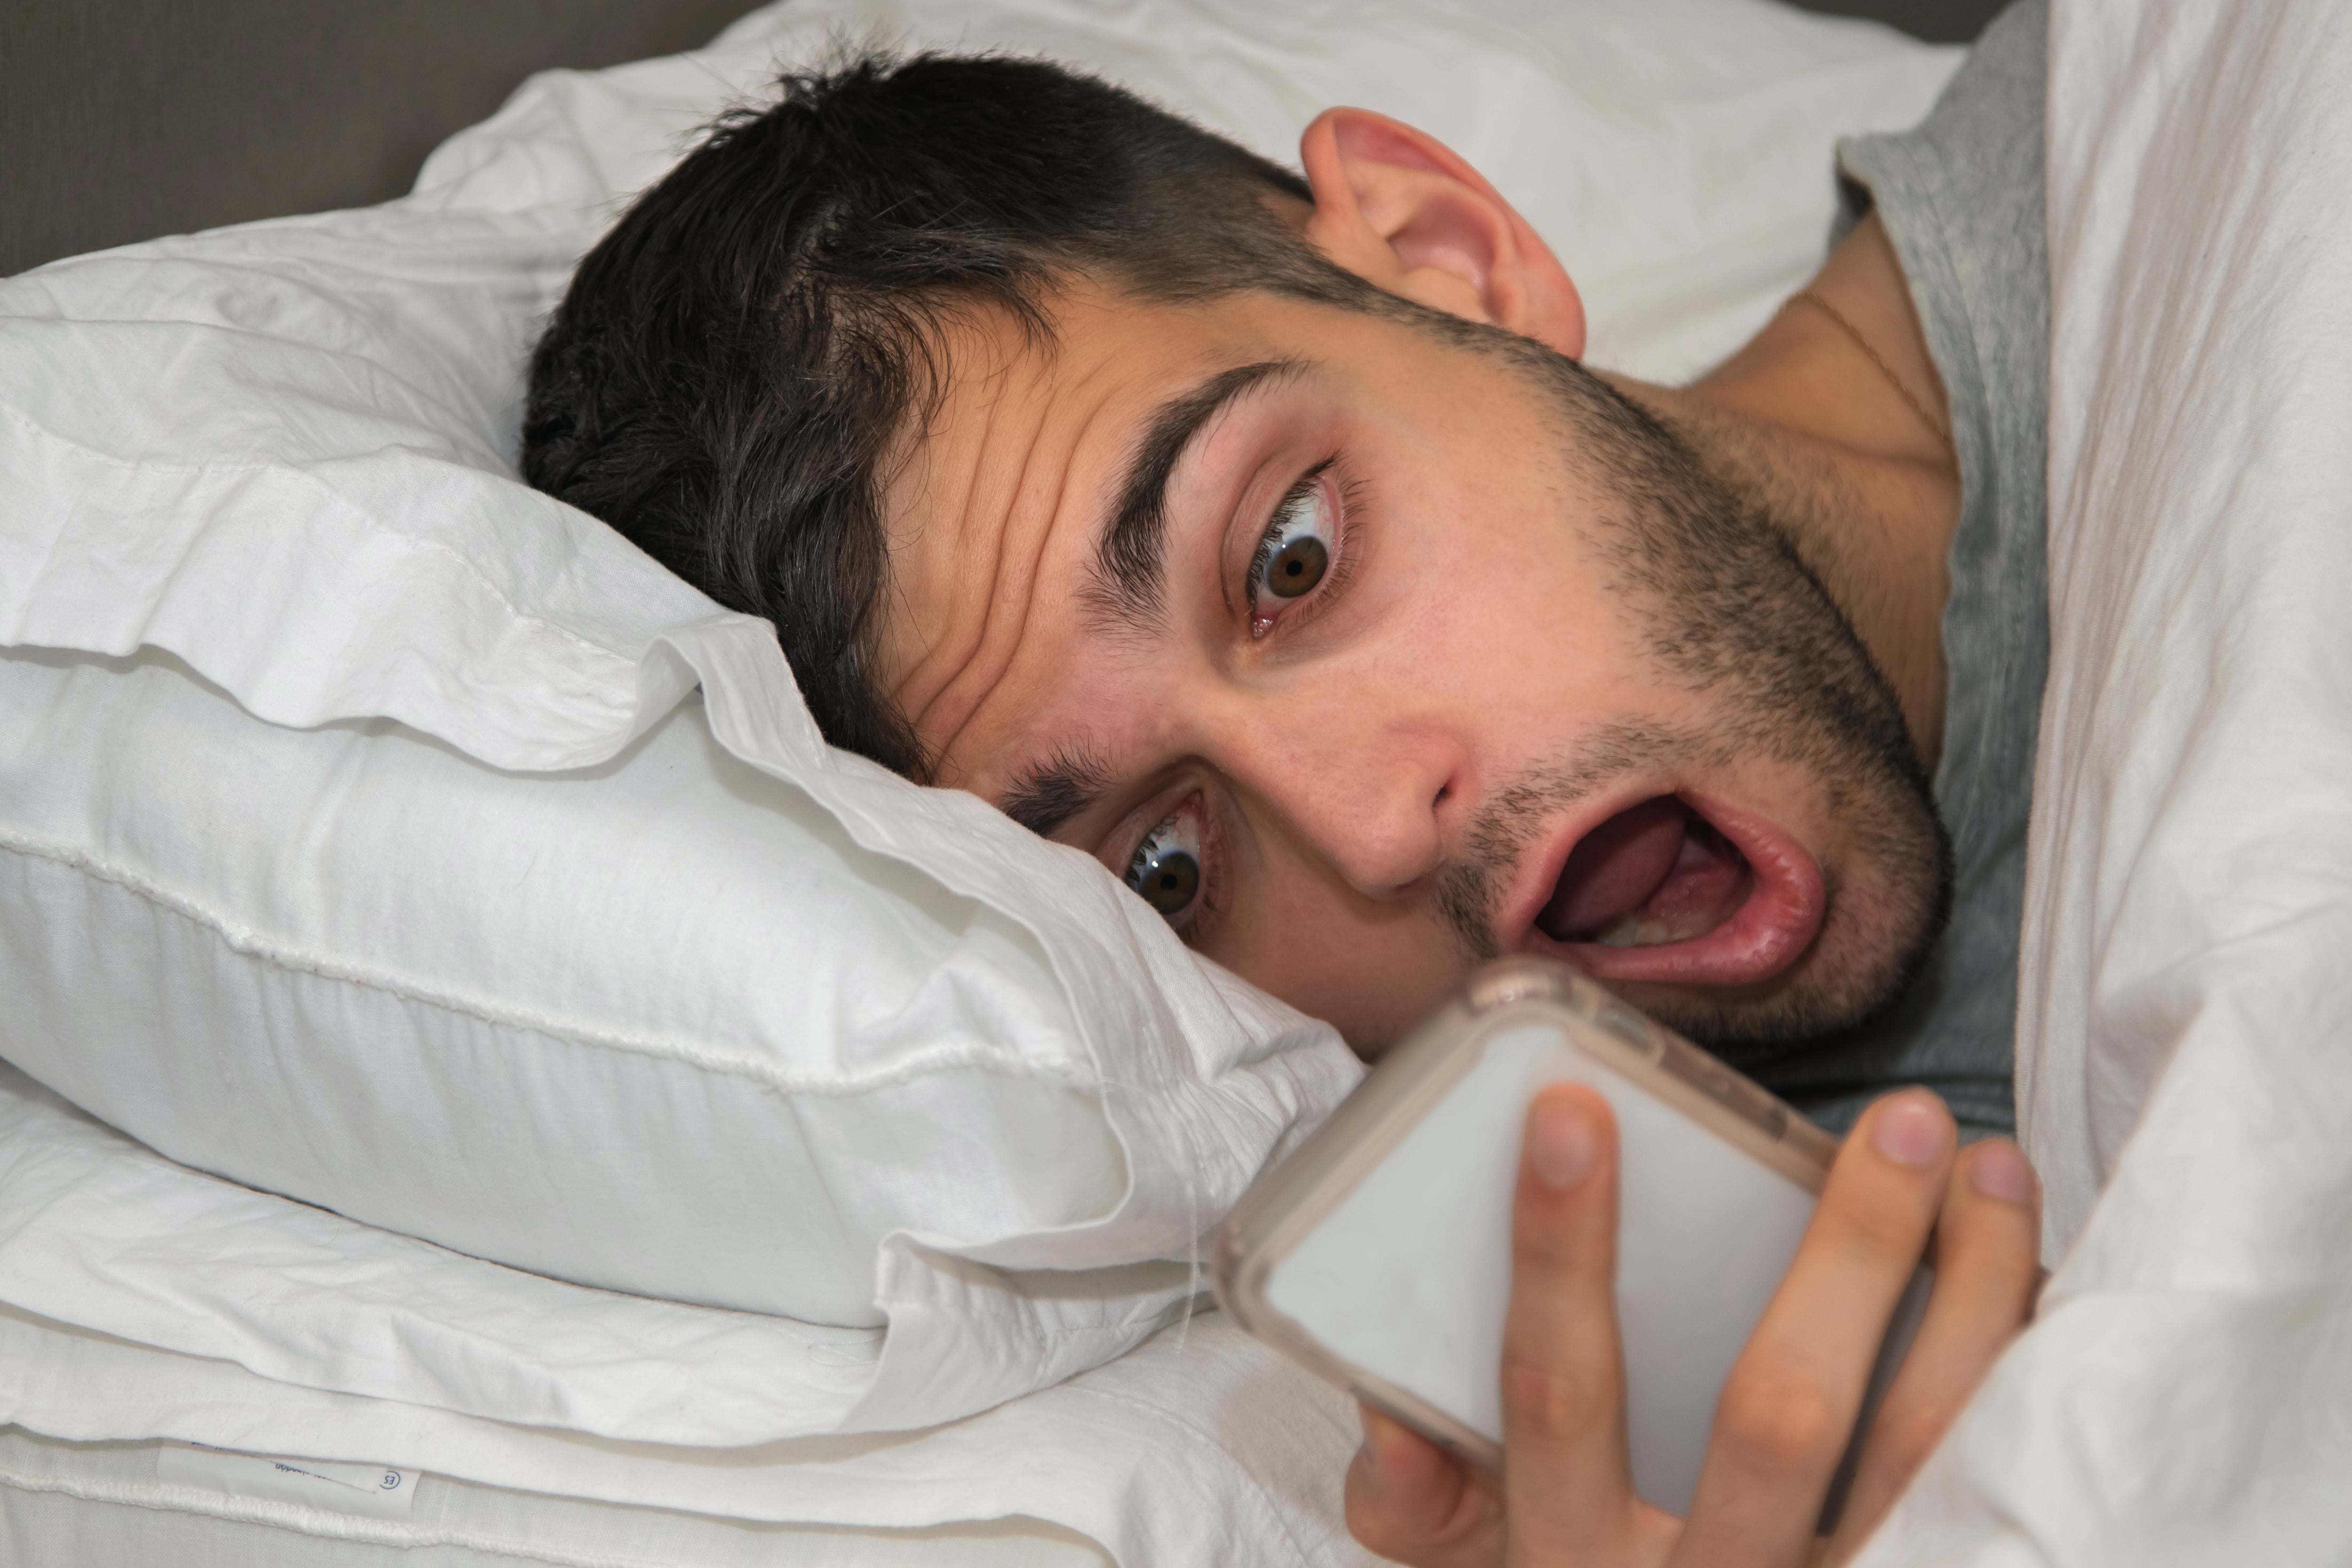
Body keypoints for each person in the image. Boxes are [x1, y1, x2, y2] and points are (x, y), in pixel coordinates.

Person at [524, 1, 2050, 1559]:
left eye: (1291, 560)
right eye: (1167, 868)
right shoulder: (1776, 1353)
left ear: (1443, 251)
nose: (1373, 831)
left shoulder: (2174, 140)